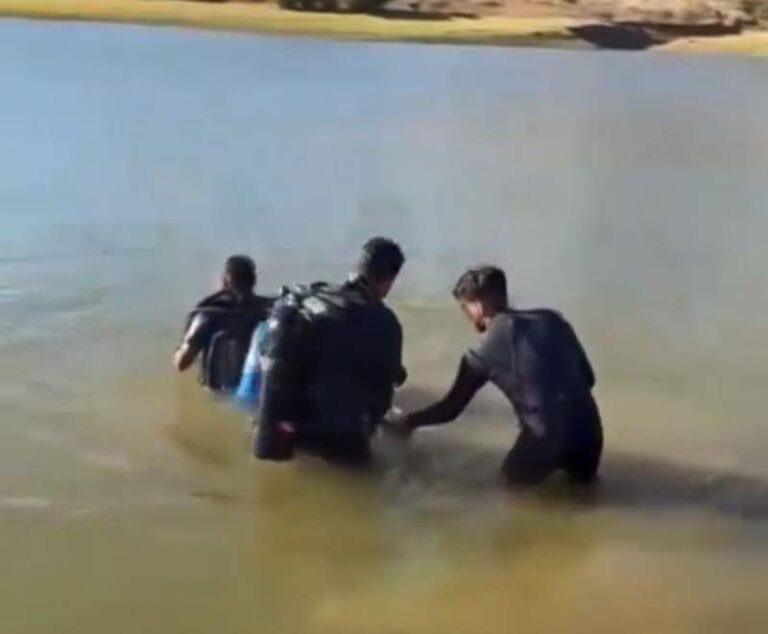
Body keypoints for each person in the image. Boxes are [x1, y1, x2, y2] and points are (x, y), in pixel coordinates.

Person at [385, 265, 602, 486]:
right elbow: (589, 378)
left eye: (465, 308)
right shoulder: (553, 319)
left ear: (478, 306)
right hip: (589, 435)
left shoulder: (484, 350)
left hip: (545, 440)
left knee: (509, 491)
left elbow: (450, 409)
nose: (467, 316)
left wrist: (408, 422)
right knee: (583, 496)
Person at [255, 237, 407, 464]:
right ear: (390, 280)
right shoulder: (385, 323)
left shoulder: (309, 298)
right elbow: (383, 395)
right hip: (338, 439)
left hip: (285, 428)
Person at [174, 255, 274, 393]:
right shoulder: (269, 310)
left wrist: (180, 347)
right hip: (256, 389)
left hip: (218, 392)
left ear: (224, 281)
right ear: (253, 281)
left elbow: (181, 364)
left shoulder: (207, 315)